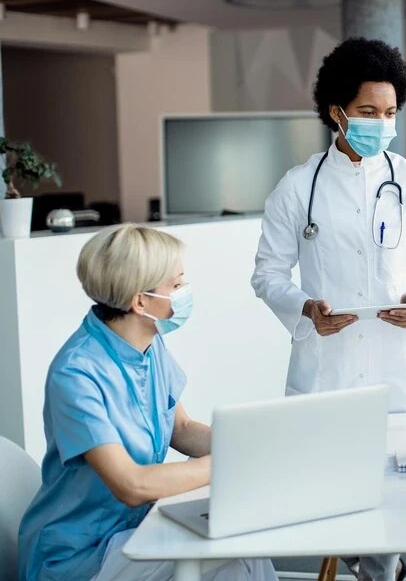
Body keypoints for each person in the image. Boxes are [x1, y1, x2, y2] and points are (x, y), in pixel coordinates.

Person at [251, 37, 406, 581]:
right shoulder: (298, 187)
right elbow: (267, 274)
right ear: (336, 112)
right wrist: (305, 309)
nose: (381, 123)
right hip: (330, 365)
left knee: (400, 486)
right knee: (328, 487)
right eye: (368, 112)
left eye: (390, 113)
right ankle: (374, 565)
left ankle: (382, 569)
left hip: (399, 362)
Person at [18, 224, 277, 581]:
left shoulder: (148, 344)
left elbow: (181, 428)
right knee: (228, 561)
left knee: (245, 546)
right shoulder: (76, 374)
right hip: (79, 555)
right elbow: (131, 484)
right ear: (140, 302)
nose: (185, 292)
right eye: (176, 285)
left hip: (135, 529)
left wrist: (252, 448)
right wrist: (226, 464)